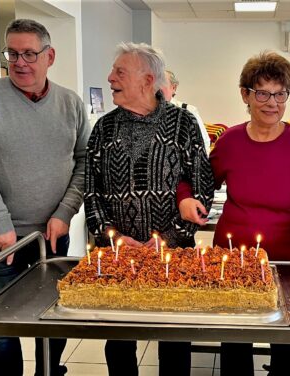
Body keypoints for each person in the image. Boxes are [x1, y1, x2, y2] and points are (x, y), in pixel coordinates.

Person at [0, 19, 90, 376]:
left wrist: (65, 211)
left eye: (29, 53)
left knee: (55, 316)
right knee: (2, 325)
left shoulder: (70, 103)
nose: (19, 62)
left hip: (53, 233)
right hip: (2, 239)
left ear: (50, 56)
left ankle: (50, 370)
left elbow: (85, 161)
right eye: (12, 53)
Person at [181, 51, 290, 376]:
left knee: (288, 342)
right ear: (245, 94)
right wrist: (186, 197)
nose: (272, 102)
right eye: (262, 93)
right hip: (234, 257)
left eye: (280, 93)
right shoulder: (230, 141)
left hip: (289, 259)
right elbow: (200, 182)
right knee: (235, 338)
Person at [85, 42, 214, 376]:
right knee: (119, 340)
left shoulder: (183, 124)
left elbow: (202, 187)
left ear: (146, 80)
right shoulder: (103, 128)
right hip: (117, 255)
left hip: (172, 256)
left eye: (119, 72)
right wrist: (113, 239)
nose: (110, 77)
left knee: (173, 337)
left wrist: (169, 240)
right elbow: (91, 190)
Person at [160, 69, 211, 153]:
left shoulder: (188, 110)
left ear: (174, 87)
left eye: (162, 83)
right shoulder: (143, 112)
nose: (157, 88)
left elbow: (204, 143)